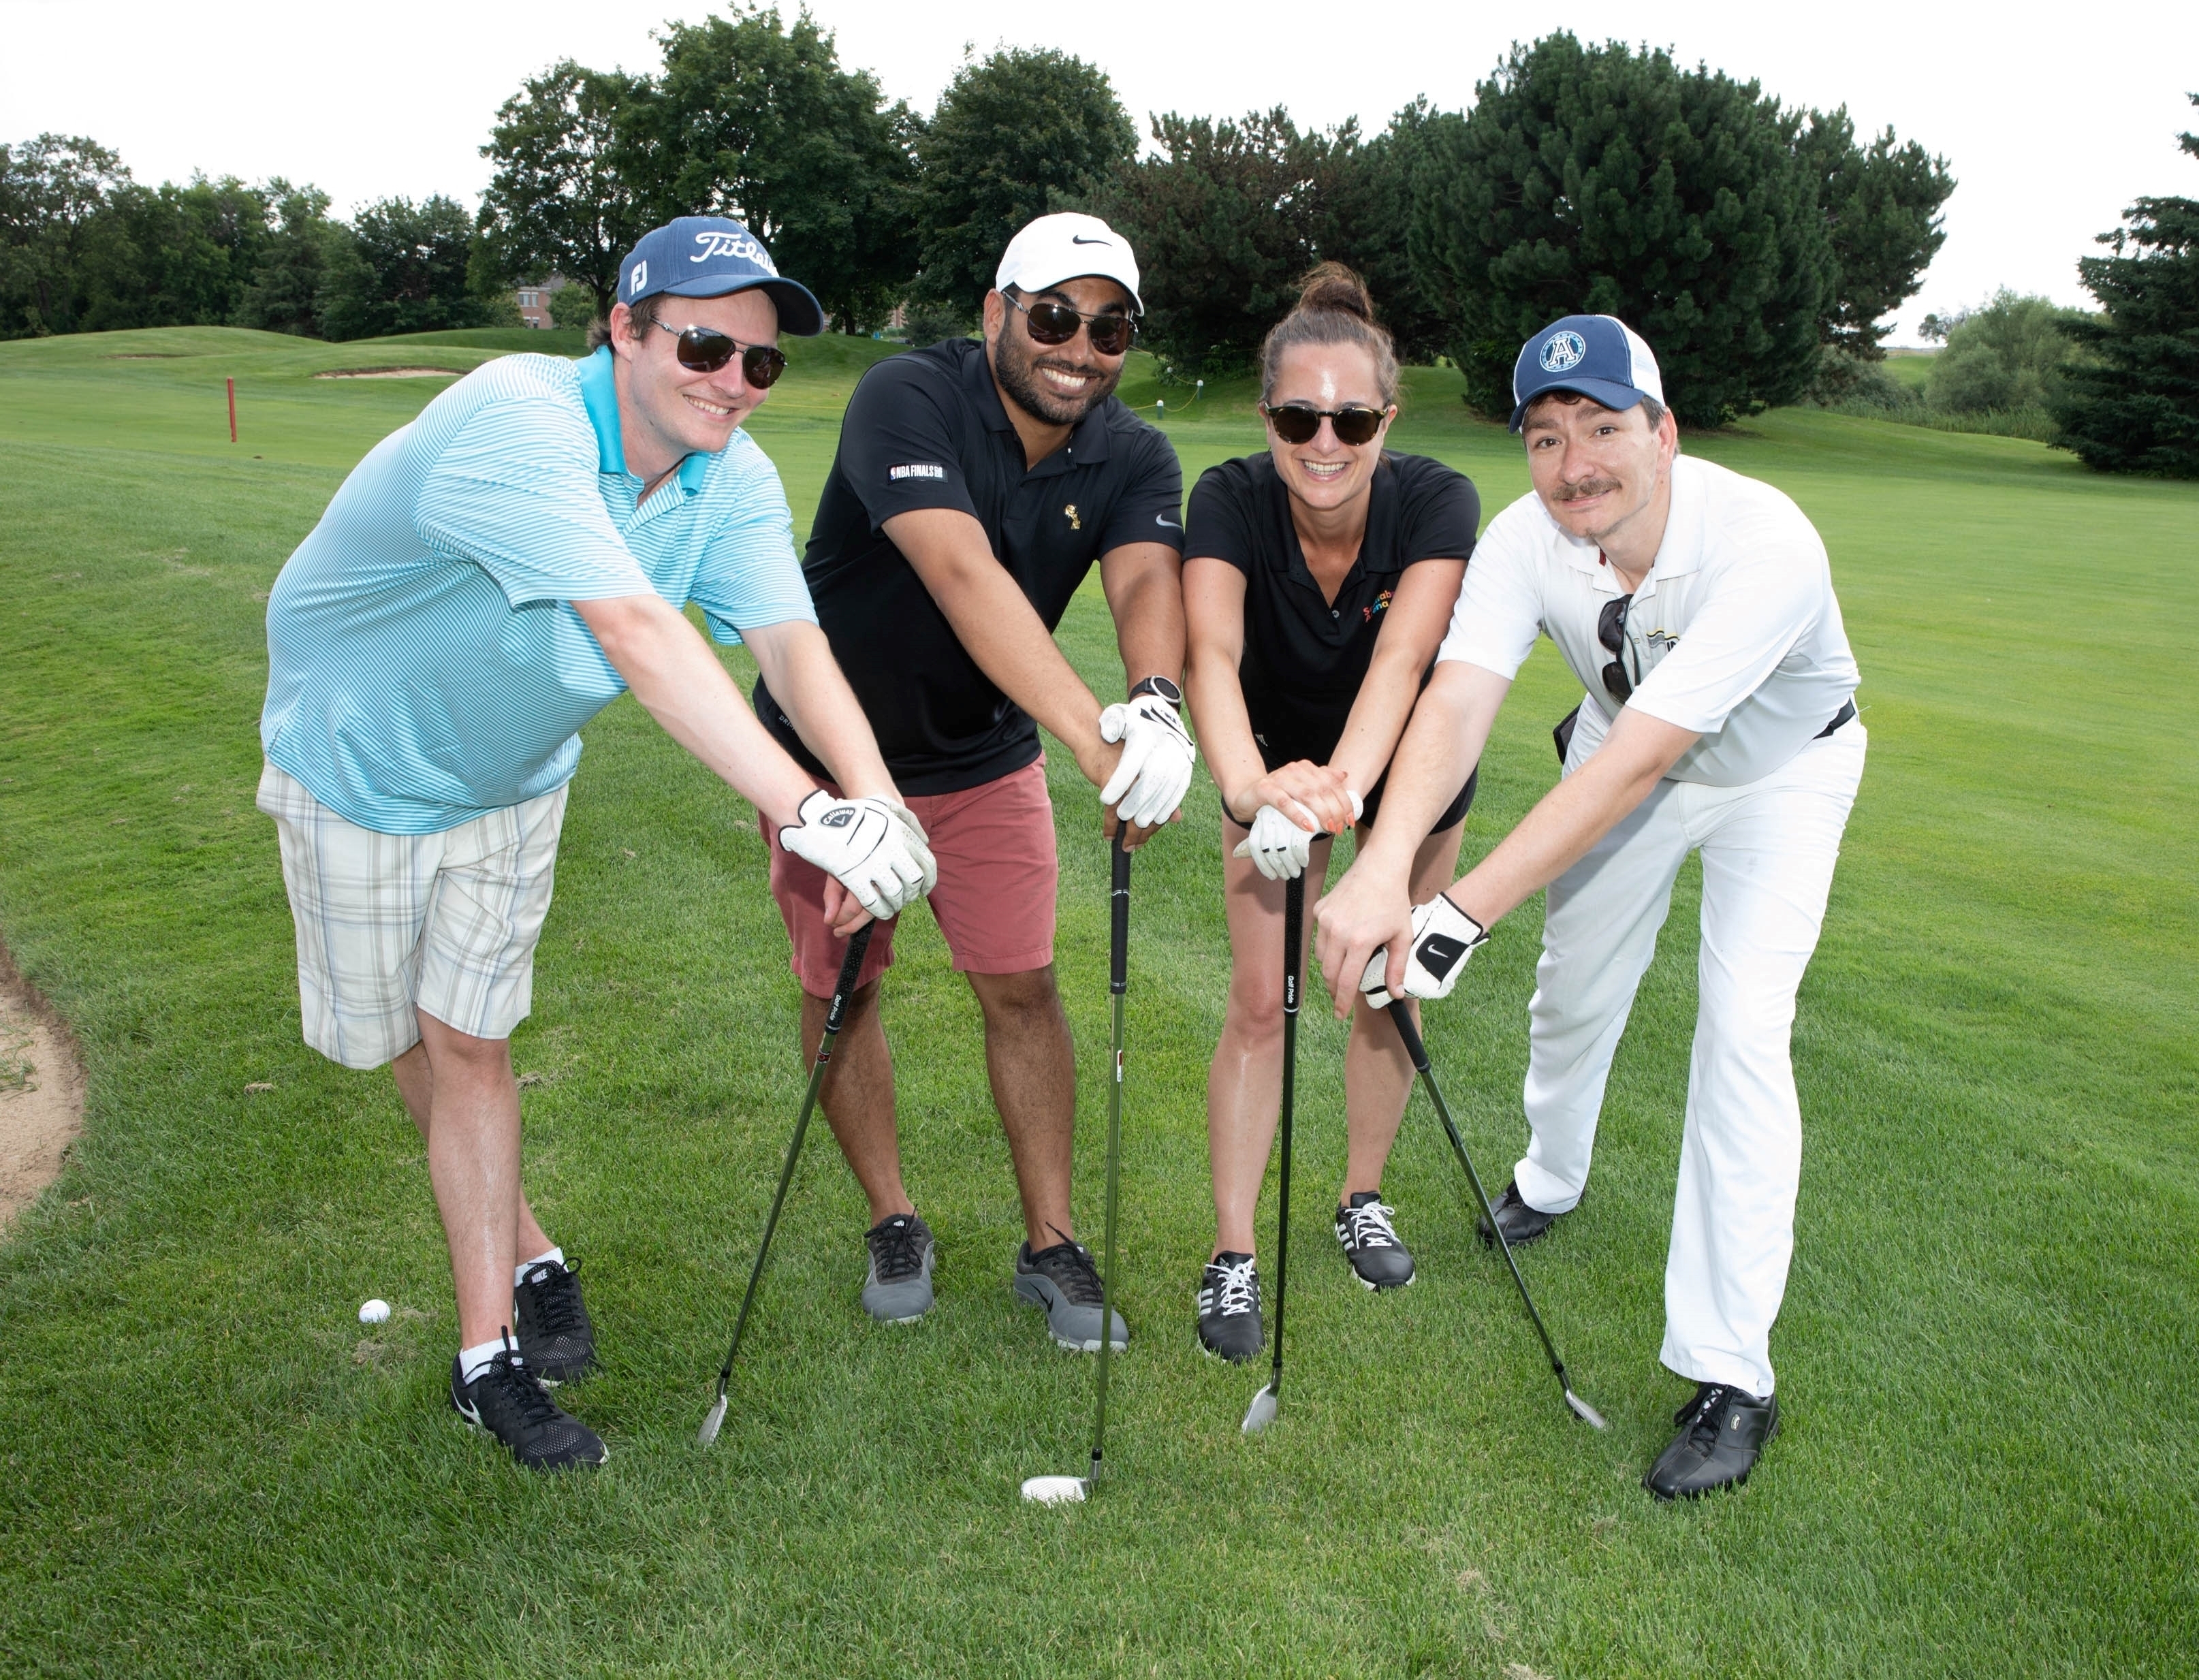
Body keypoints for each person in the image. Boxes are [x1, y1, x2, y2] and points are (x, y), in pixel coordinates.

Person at [257, 217, 934, 1472]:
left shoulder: (731, 474)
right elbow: (635, 628)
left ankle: (485, 1357)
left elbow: (790, 645)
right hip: (358, 762)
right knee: (401, 1036)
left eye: (760, 362)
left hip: (513, 775)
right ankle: (526, 1246)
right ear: (623, 329)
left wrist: (876, 800)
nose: (733, 382)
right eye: (703, 347)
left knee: (470, 1043)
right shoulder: (518, 420)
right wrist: (812, 817)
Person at [1313, 314, 1865, 1500]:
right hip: (1624, 751)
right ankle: (1550, 1176)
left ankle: (1730, 1373)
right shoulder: (1526, 538)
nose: (1575, 465)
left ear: (1663, 434)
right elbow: (1457, 700)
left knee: (1741, 1030)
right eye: (1546, 437)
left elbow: (1644, 758)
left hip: (1779, 774)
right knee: (1572, 992)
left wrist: (1458, 911)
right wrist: (1384, 865)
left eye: (1604, 429)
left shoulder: (1764, 541)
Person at [752, 212, 1193, 1352]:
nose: (1078, 348)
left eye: (1108, 329)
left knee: (1022, 988)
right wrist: (1095, 743)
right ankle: (891, 1219)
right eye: (1053, 317)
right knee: (844, 987)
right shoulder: (906, 394)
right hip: (825, 765)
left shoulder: (1133, 452)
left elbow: (1148, 581)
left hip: (984, 759)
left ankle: (1051, 1241)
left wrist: (1153, 702)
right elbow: (959, 570)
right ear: (997, 311)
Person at [1179, 265, 1480, 1362]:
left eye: (1351, 419)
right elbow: (1210, 654)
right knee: (1261, 1003)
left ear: (1385, 420)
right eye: (1297, 417)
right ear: (1266, 415)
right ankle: (1231, 1252)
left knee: (1387, 993)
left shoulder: (1437, 500)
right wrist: (1250, 790)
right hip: (1264, 770)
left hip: (1404, 777)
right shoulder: (1226, 499)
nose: (1323, 441)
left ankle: (1361, 1195)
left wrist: (1340, 797)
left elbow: (1403, 663)